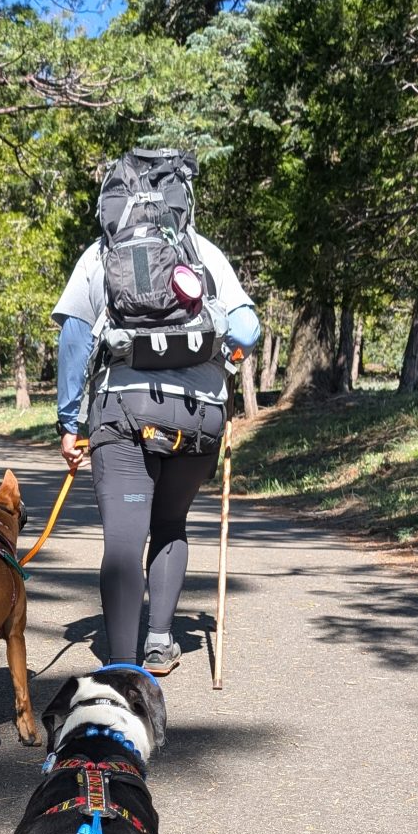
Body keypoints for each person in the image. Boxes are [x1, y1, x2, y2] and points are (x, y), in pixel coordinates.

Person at [52, 211, 261, 674]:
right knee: (170, 523)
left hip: (122, 411)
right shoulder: (203, 253)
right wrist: (223, 357)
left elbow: (74, 337)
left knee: (124, 540)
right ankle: (161, 642)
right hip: (199, 416)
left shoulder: (100, 254)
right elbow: (247, 330)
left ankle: (122, 665)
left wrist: (69, 422)